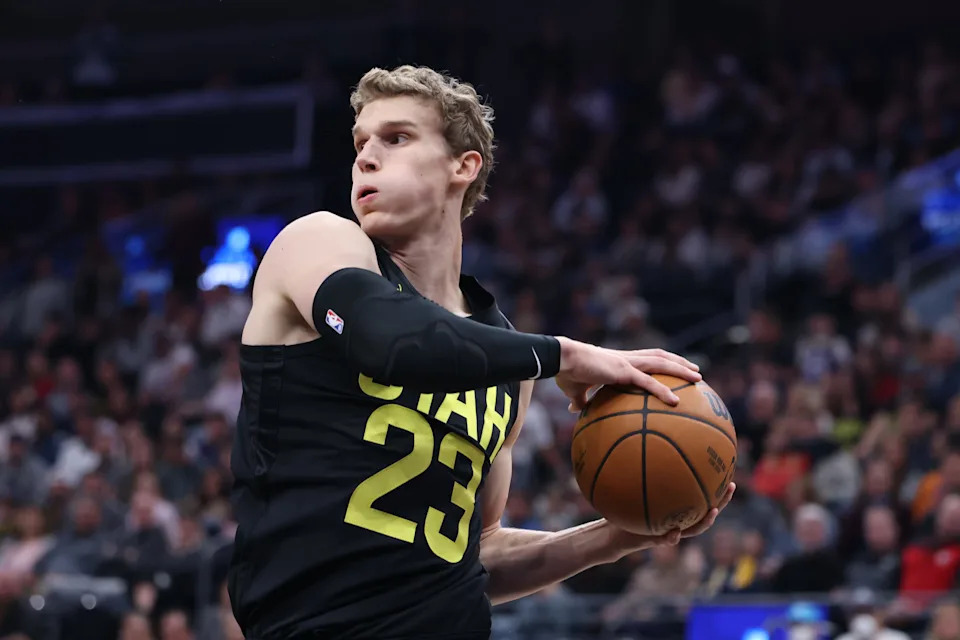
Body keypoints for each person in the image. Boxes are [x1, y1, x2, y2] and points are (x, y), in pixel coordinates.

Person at [227, 64, 735, 640]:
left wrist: (618, 537)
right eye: (360, 143)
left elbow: (477, 554)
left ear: (461, 167)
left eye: (395, 138)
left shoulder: (505, 360)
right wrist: (564, 354)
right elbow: (389, 341)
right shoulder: (318, 242)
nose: (366, 157)